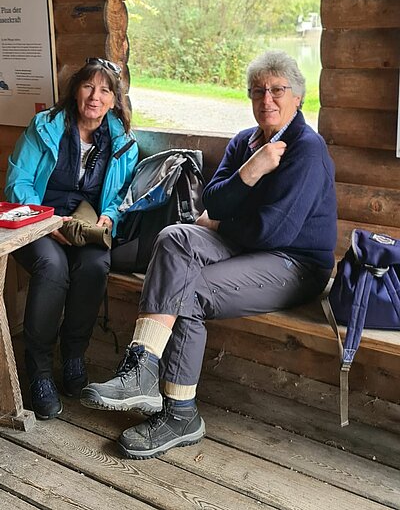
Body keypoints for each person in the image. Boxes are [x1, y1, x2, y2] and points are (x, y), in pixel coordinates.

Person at [80, 49, 337, 460]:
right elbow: (213, 202)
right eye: (257, 91)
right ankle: (143, 367)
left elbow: (275, 231)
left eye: (276, 91)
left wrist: (221, 220)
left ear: (298, 97)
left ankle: (180, 414)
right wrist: (249, 171)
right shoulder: (245, 144)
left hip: (294, 264)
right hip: (246, 248)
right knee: (174, 237)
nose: (266, 100)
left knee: (191, 290)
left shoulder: (306, 150)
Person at [5, 58, 138, 420]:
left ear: (114, 100)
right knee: (52, 266)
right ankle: (41, 369)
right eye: (88, 87)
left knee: (96, 265)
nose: (95, 97)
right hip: (39, 222)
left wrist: (110, 215)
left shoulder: (122, 142)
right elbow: (18, 182)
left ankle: (75, 355)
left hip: (85, 225)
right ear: (75, 89)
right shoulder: (45, 126)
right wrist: (48, 221)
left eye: (105, 90)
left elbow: (121, 195)